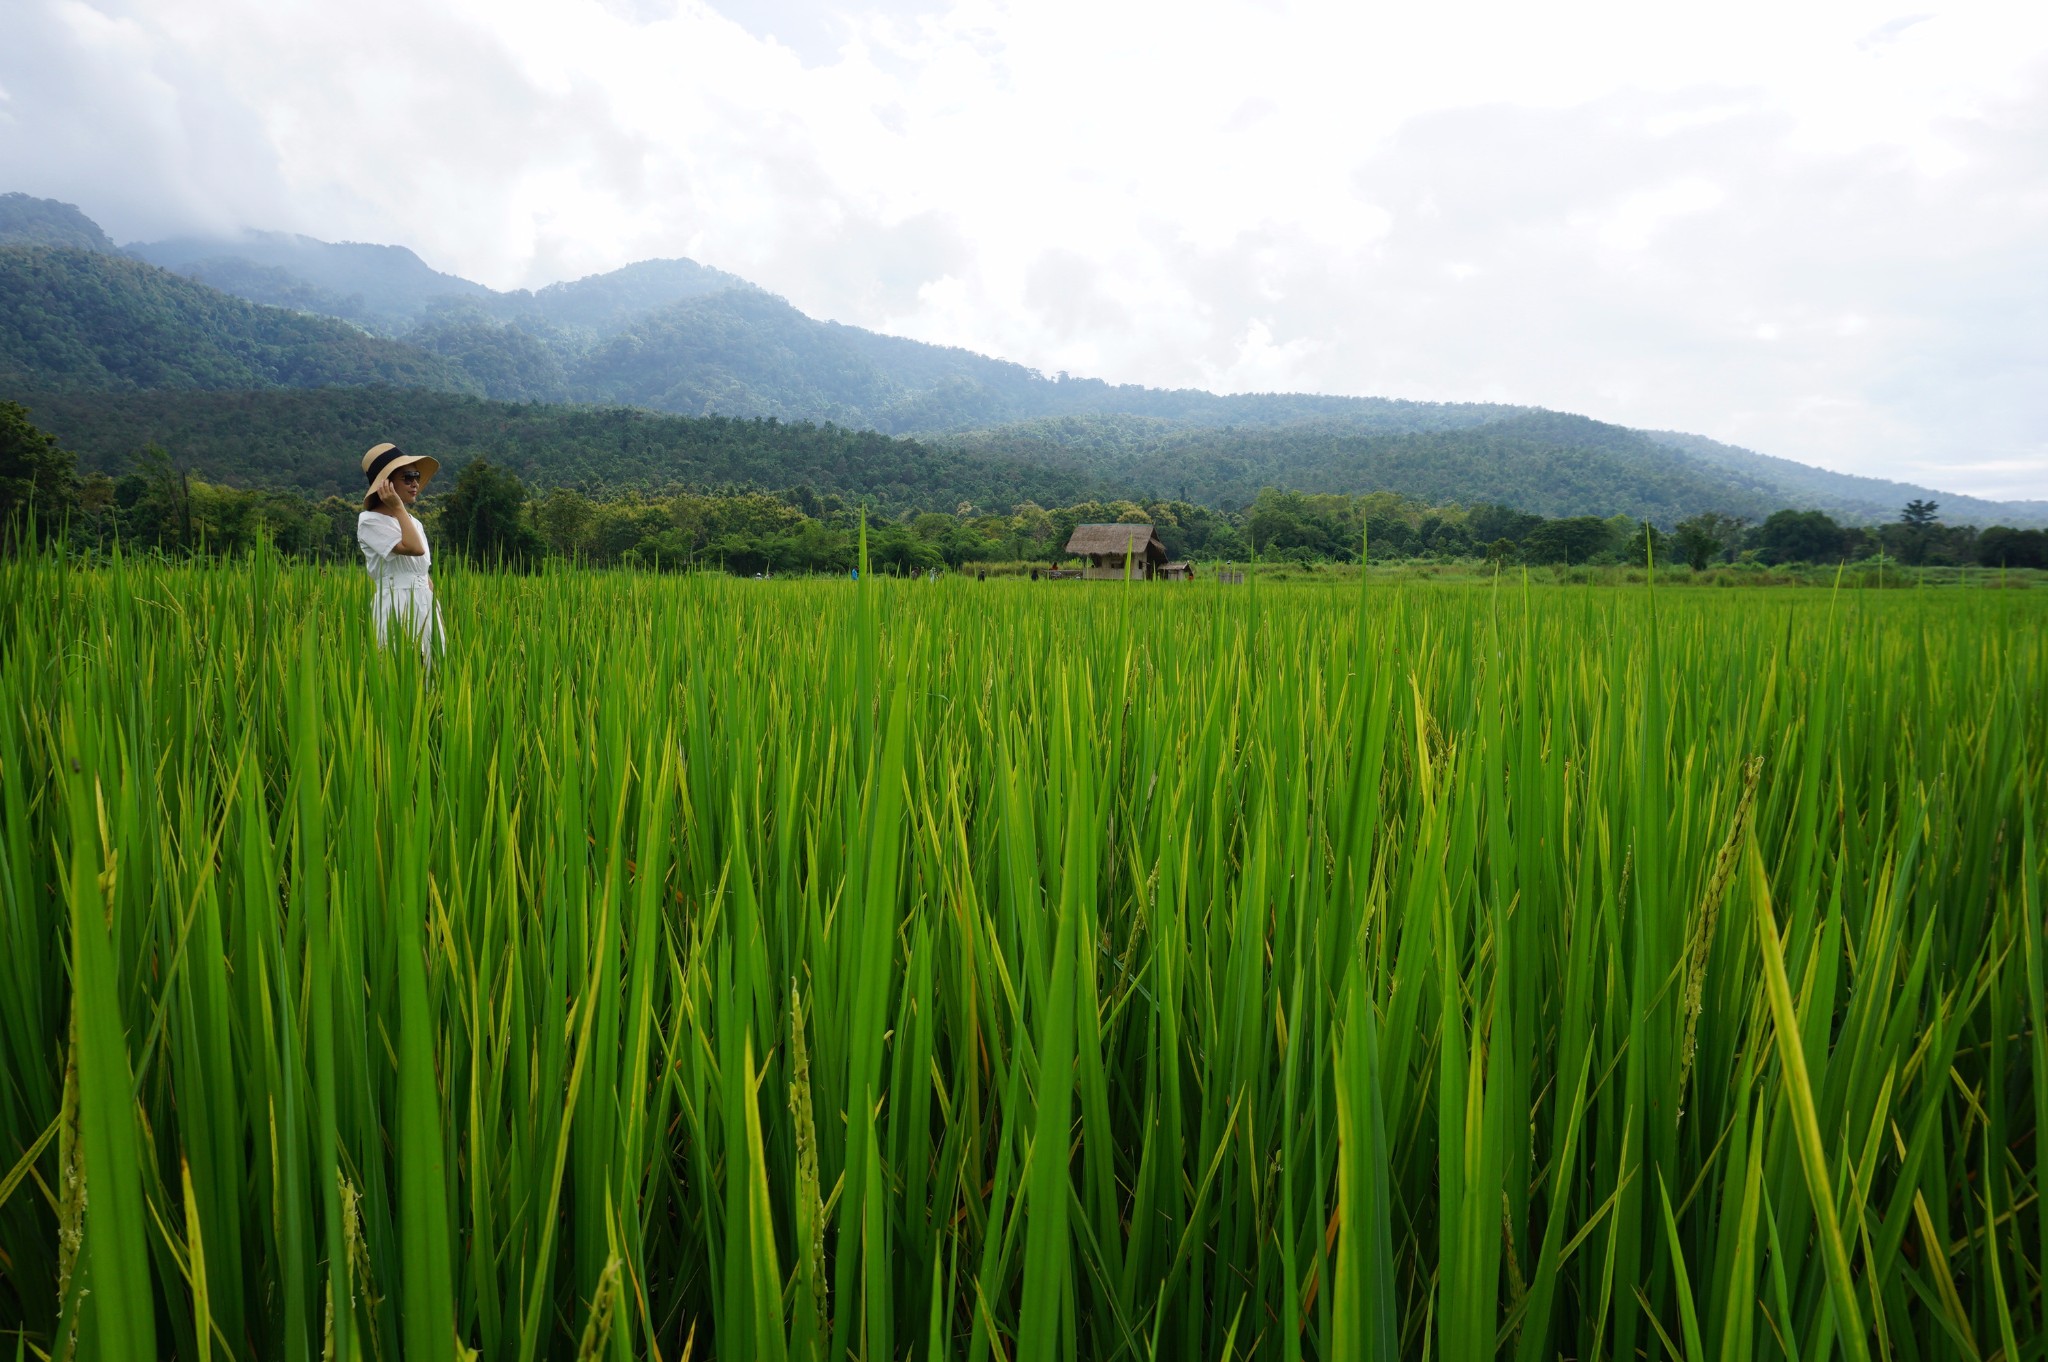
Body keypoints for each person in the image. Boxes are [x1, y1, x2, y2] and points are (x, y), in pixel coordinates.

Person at [356, 442, 443, 660]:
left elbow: (424, 573)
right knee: (400, 670)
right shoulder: (369, 521)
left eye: (416, 476)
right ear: (386, 483)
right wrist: (397, 507)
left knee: (432, 674)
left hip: (424, 603)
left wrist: (435, 609)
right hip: (396, 604)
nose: (415, 483)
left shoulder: (413, 523)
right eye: (407, 477)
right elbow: (414, 549)